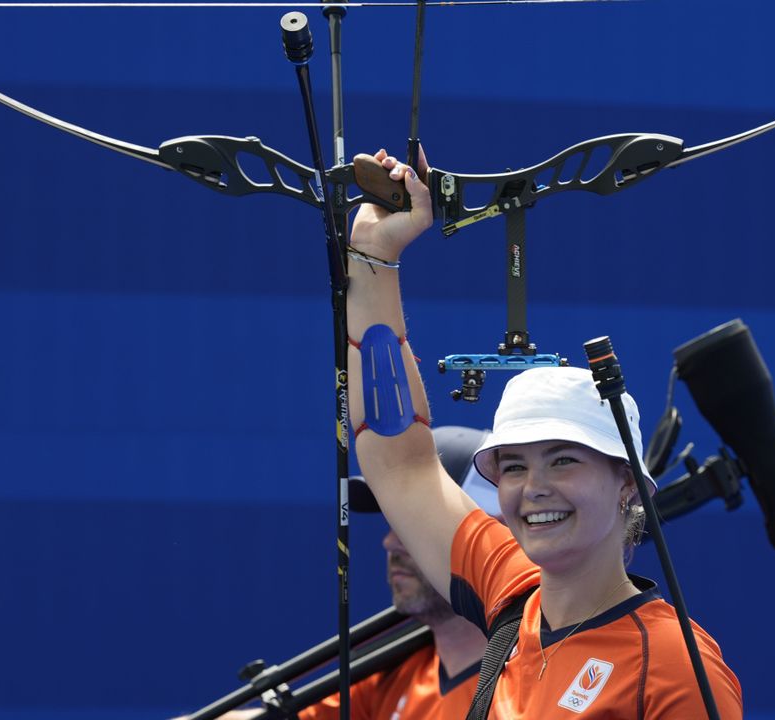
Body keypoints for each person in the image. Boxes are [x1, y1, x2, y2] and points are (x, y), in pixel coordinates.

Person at [344, 148, 743, 719]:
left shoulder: (676, 669)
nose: (533, 487)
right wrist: (375, 256)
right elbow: (399, 459)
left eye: (562, 461)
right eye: (513, 466)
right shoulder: (510, 591)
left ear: (626, 481)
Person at [297, 425, 495, 720]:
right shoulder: (393, 672)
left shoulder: (536, 678)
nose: (390, 542)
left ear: (492, 531)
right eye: (395, 521)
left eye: (418, 521)